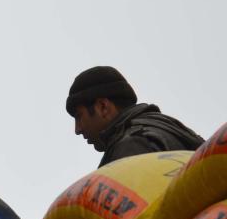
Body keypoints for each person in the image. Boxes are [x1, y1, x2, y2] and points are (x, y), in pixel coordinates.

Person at [66, 66, 203, 167]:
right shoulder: (178, 132)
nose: (77, 129)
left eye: (79, 117)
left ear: (103, 107)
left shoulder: (131, 145)